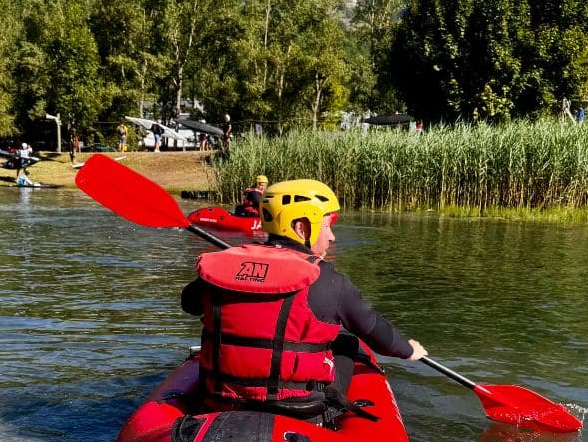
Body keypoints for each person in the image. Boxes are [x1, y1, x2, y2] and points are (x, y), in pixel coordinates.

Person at [181, 179, 427, 419]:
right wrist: (408, 349)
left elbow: (189, 304)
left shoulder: (224, 267)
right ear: (302, 228)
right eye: (327, 226)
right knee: (348, 342)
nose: (332, 237)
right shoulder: (328, 279)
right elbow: (375, 331)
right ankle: (332, 413)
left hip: (220, 398)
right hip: (298, 409)